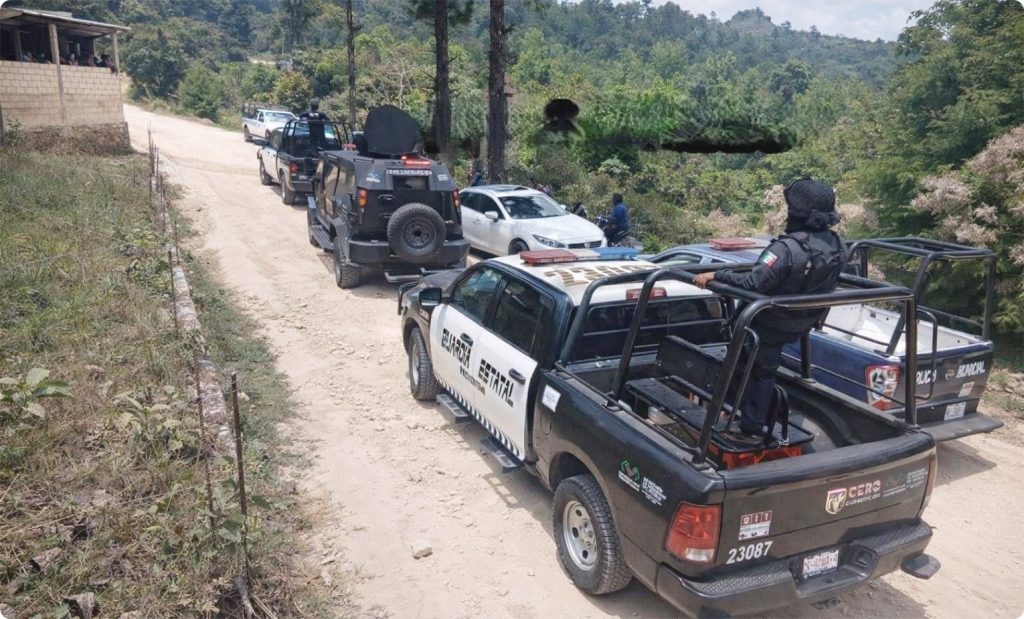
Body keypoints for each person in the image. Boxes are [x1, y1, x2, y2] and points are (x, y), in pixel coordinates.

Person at [692, 178, 847, 445]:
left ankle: (750, 428)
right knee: (755, 367)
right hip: (801, 322)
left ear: (796, 212)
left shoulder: (786, 249)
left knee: (760, 371)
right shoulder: (836, 243)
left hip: (769, 323)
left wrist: (717, 274)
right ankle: (740, 411)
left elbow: (754, 282)